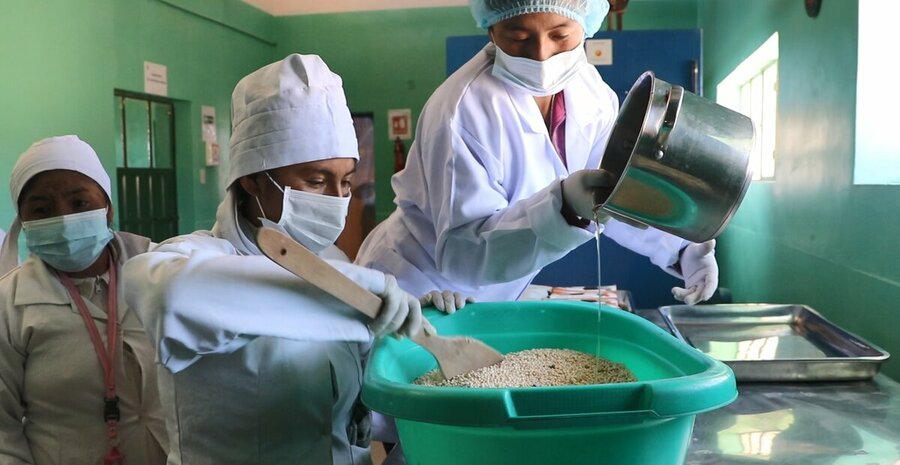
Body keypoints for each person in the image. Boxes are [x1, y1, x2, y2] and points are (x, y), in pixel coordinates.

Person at [123, 54, 444, 465]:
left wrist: (416, 327)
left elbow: (356, 376)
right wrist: (359, 296)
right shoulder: (190, 258)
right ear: (252, 179)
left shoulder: (332, 259)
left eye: (345, 181)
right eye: (315, 180)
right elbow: (169, 295)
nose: (336, 200)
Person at [355, 0, 718, 306]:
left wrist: (681, 248)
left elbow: (616, 192)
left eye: (560, 34)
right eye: (519, 37)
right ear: (491, 29)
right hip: (416, 289)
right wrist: (561, 209)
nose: (542, 55)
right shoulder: (461, 111)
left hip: (492, 296)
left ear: (587, 20)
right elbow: (464, 253)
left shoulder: (589, 92)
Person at [0, 136, 167, 464]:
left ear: (108, 208)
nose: (63, 220)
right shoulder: (9, 304)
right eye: (42, 209)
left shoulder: (162, 272)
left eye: (79, 203)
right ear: (23, 220)